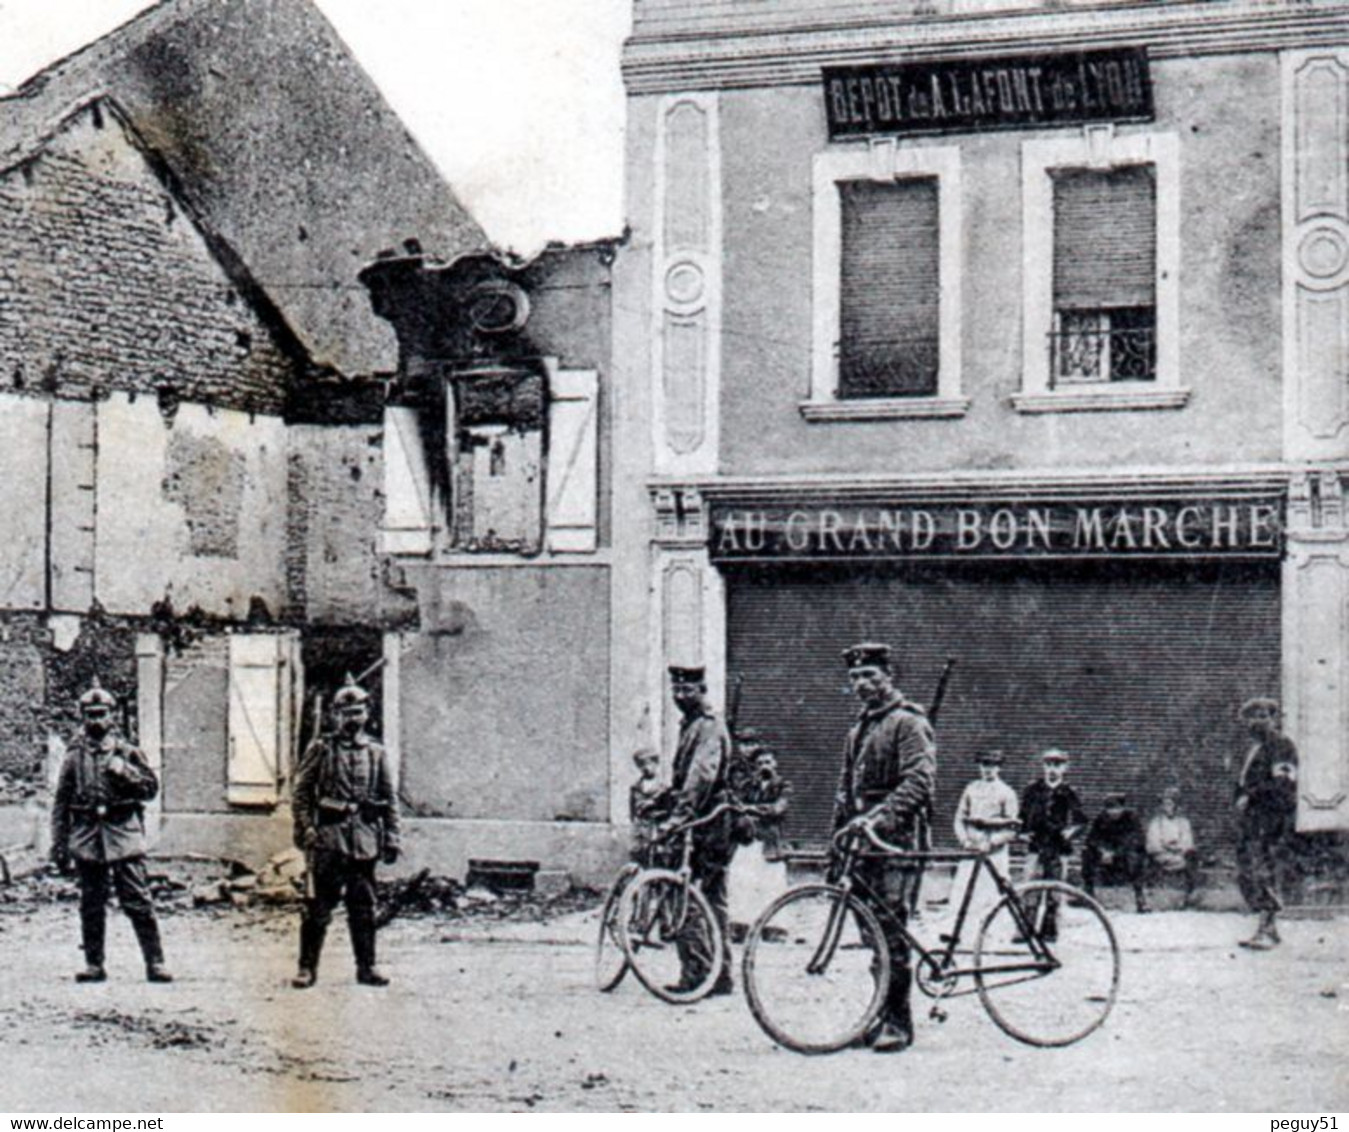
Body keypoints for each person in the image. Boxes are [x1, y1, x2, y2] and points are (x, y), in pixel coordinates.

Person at [833, 642, 937, 1054]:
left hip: (897, 842)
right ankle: (878, 1014)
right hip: (863, 845)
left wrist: (878, 818)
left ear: (888, 676)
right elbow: (844, 793)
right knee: (871, 933)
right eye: (855, 678)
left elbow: (919, 782)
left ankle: (899, 1022)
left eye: (870, 676)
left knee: (891, 932)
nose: (862, 684)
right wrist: (836, 847)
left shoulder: (907, 723)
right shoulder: (859, 729)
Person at [50, 678, 171, 984]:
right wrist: (59, 845)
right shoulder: (74, 756)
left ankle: (155, 962)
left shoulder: (128, 752)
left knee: (137, 900)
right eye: (90, 714)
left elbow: (150, 789)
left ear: (112, 716)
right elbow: (61, 803)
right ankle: (94, 964)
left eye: (101, 713)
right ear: (83, 717)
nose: (96, 720)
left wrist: (125, 771)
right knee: (91, 903)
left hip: (123, 834)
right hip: (88, 836)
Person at [291, 675, 401, 988]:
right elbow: (301, 793)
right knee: (317, 910)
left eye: (358, 712)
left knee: (363, 909)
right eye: (346, 713)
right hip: (329, 840)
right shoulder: (322, 749)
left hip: (364, 842)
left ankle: (366, 967)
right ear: (335, 715)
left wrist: (392, 837)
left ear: (367, 714)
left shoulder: (376, 753)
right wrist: (306, 827)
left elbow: (389, 798)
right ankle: (306, 968)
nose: (352, 719)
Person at [659, 664, 734, 996]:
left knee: (685, 893)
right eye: (676, 690)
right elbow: (684, 776)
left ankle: (698, 973)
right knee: (712, 900)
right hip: (710, 822)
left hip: (706, 824)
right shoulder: (692, 725)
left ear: (702, 690)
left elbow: (701, 775)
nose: (680, 696)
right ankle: (720, 975)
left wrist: (679, 816)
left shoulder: (707, 727)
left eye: (687, 690)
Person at [1233, 697, 1298, 950]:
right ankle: (1267, 927)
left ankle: (1267, 929)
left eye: (1263, 716)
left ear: (1274, 719)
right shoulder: (1253, 749)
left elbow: (1283, 784)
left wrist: (1251, 795)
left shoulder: (1282, 746)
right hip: (1252, 820)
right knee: (1249, 872)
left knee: (1264, 871)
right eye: (1252, 717)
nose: (1256, 721)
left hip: (1271, 820)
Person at [1018, 748, 1087, 940]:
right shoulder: (1032, 790)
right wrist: (1023, 833)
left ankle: (1049, 930)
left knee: (1054, 889)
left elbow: (1081, 821)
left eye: (1057, 765)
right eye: (1048, 764)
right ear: (1043, 766)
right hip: (1036, 846)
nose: (1052, 769)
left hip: (1058, 847)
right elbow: (1021, 817)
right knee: (1031, 886)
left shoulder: (1069, 792)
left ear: (1065, 767)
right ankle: (1025, 929)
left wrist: (1070, 832)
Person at [947, 749, 1019, 931]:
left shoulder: (1007, 792)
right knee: (963, 891)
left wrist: (993, 842)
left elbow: (1013, 829)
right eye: (984, 765)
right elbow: (959, 818)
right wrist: (964, 840)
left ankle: (991, 935)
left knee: (993, 892)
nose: (988, 769)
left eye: (992, 766)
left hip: (994, 852)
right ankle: (959, 932)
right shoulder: (971, 789)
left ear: (999, 768)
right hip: (971, 849)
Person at [1081, 792, 1151, 913]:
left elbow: (1135, 840)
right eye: (1110, 808)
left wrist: (1116, 853)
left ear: (1123, 808)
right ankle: (1088, 894)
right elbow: (1092, 839)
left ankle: (1140, 898)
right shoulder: (1101, 819)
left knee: (1135, 856)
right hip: (1105, 855)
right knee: (1087, 853)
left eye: (1117, 808)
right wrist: (1102, 850)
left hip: (1124, 856)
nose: (1113, 812)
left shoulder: (1131, 819)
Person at [1146, 787, 1200, 907]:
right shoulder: (1156, 822)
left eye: (1170, 804)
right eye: (1165, 804)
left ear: (1175, 805)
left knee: (1192, 857)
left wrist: (1179, 849)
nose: (1167, 807)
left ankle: (1189, 894)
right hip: (1162, 855)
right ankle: (1152, 895)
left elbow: (1187, 841)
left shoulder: (1184, 822)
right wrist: (1166, 849)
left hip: (1180, 855)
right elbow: (1153, 842)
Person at [628, 747, 667, 864]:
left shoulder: (663, 787)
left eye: (647, 764)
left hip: (656, 827)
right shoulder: (635, 787)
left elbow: (667, 808)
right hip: (640, 829)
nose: (645, 768)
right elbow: (632, 809)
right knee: (637, 854)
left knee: (657, 856)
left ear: (655, 763)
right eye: (640, 765)